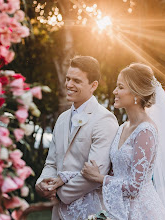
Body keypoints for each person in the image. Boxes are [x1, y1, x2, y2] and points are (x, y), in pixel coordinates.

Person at [81, 63, 165, 220]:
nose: (114, 91)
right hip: (120, 209)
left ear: (136, 93)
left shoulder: (146, 131)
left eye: (120, 87)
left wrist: (98, 178)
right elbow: (116, 172)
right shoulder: (122, 128)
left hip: (141, 212)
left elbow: (134, 187)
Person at [35, 56, 119, 220]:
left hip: (90, 212)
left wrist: (58, 195)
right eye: (68, 79)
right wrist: (43, 184)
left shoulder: (104, 120)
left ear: (93, 85)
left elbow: (96, 173)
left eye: (77, 81)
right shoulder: (62, 118)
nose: (69, 85)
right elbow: (52, 162)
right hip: (57, 213)